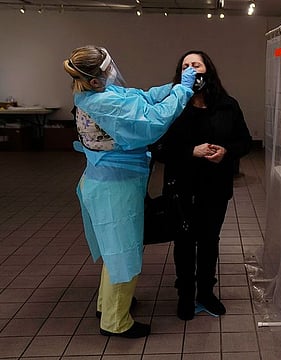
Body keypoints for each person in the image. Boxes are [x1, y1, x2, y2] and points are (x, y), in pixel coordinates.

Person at [63, 45, 196, 338]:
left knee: (114, 250)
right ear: (96, 78)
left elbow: (140, 98)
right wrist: (183, 92)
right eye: (109, 69)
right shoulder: (103, 102)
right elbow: (152, 121)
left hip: (105, 181)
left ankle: (107, 304)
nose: (114, 71)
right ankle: (115, 322)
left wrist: (171, 87)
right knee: (123, 252)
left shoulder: (90, 94)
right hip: (114, 187)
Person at [152, 50, 252, 320]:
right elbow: (157, 147)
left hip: (215, 188)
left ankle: (206, 292)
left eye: (197, 64)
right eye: (186, 66)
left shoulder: (227, 105)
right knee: (184, 242)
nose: (192, 70)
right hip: (181, 187)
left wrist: (226, 152)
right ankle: (185, 294)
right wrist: (190, 152)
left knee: (209, 241)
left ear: (209, 69)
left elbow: (245, 141)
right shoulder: (171, 106)